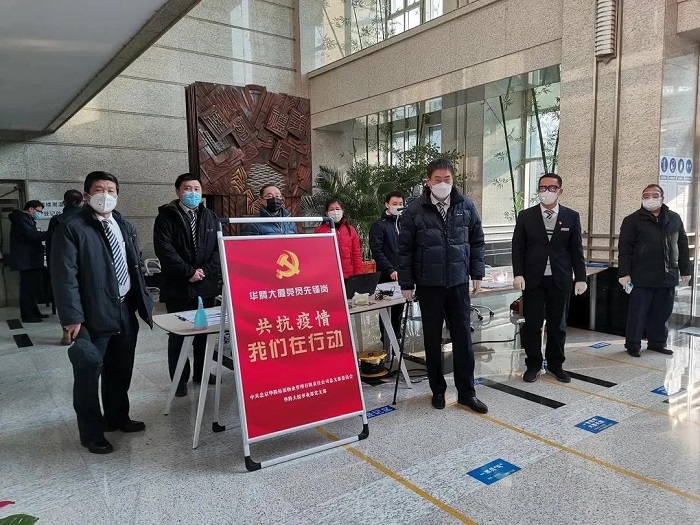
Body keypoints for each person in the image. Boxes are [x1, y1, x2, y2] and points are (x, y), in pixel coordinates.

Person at [50, 171, 153, 454]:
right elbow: (63, 275)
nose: (105, 195)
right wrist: (72, 317)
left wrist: (143, 301)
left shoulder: (124, 224)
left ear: (117, 195)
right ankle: (91, 434)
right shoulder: (71, 227)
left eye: (111, 190)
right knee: (88, 375)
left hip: (124, 308)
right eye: (99, 189)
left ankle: (117, 417)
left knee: (121, 368)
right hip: (91, 312)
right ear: (86, 195)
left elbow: (133, 264)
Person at [397, 158, 487, 413]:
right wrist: (407, 282)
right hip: (429, 284)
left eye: (447, 179)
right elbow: (405, 250)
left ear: (453, 180)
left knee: (463, 339)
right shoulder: (414, 210)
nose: (442, 183)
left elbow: (477, 241)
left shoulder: (465, 205)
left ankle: (467, 393)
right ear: (428, 181)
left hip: (458, 282)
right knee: (432, 339)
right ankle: (437, 390)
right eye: (437, 179)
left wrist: (477, 272)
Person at [511, 173, 587, 384]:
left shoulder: (571, 216)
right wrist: (518, 274)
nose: (546, 192)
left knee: (558, 324)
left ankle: (555, 364)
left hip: (560, 278)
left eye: (551, 188)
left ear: (560, 191)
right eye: (542, 188)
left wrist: (581, 277)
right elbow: (518, 248)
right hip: (533, 279)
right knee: (532, 323)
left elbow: (576, 250)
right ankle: (533, 364)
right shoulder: (526, 216)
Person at [154, 173, 222, 397]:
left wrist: (204, 271)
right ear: (177, 191)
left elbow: (218, 248)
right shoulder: (166, 217)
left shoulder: (210, 216)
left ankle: (202, 373)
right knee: (179, 336)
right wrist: (188, 272)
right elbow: (165, 250)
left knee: (204, 333)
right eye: (187, 188)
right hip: (178, 286)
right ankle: (180, 379)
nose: (192, 193)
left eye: (196, 189)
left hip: (206, 285)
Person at [618, 184, 691, 357]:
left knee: (662, 312)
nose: (650, 199)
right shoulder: (632, 220)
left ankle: (657, 343)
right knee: (638, 314)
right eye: (646, 196)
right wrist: (624, 273)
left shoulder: (674, 218)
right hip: (641, 276)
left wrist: (685, 270)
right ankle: (633, 345)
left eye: (655, 195)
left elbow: (682, 245)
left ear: (662, 198)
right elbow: (625, 249)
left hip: (667, 275)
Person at [47, 189, 84, 344]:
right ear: (82, 202)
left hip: (63, 264)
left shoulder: (57, 220)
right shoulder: (86, 218)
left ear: (64, 202)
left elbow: (50, 244)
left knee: (67, 295)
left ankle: (67, 332)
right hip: (86, 266)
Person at [370, 191, 405, 348]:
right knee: (386, 310)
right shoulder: (379, 226)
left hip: (403, 274)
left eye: (400, 204)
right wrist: (390, 269)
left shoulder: (404, 224)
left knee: (399, 309)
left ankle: (397, 338)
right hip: (386, 276)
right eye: (394, 204)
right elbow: (377, 251)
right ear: (387, 205)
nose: (398, 207)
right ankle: (386, 341)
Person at [9, 200, 49, 323]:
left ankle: (34, 312)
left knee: (32, 288)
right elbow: (33, 235)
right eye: (39, 211)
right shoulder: (21, 219)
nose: (40, 214)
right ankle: (27, 316)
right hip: (26, 261)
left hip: (30, 260)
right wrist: (50, 232)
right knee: (27, 289)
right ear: (31, 209)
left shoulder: (26, 219)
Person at [314, 199, 363, 278]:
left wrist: (358, 275)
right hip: (329, 275)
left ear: (342, 211)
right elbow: (317, 255)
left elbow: (356, 254)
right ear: (327, 213)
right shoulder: (320, 231)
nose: (335, 212)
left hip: (348, 274)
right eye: (331, 209)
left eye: (337, 209)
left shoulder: (351, 230)